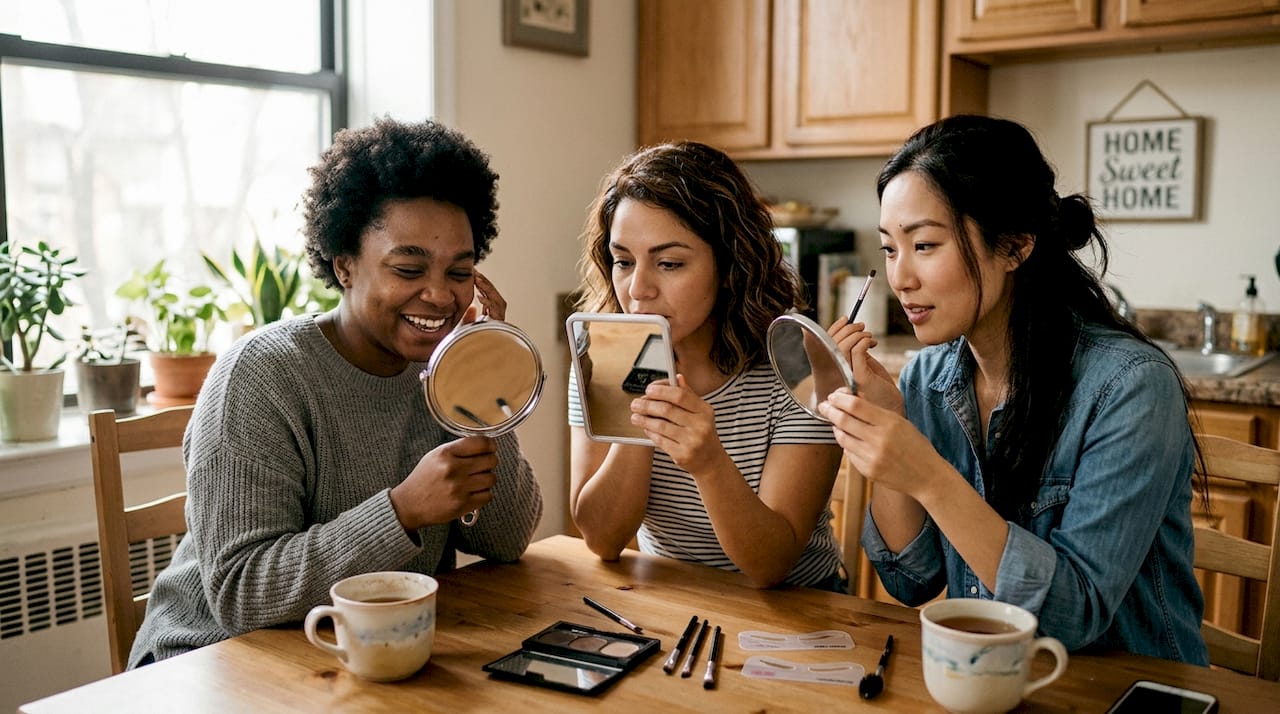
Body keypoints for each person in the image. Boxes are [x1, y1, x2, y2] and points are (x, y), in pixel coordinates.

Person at [129, 117, 544, 667]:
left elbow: (506, 540)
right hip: (209, 663)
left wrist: (483, 378)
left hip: (363, 654)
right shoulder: (261, 376)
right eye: (409, 268)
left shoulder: (445, 372)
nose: (441, 296)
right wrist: (402, 511)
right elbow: (241, 593)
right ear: (344, 265)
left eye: (459, 272)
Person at [819, 115, 1208, 663]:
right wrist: (893, 428)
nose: (901, 278)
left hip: (1126, 686)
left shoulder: (1130, 386)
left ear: (1014, 247)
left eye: (924, 245)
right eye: (889, 249)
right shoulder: (928, 378)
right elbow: (910, 582)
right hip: (987, 674)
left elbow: (1073, 615)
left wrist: (929, 475)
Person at [568, 141, 845, 590]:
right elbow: (602, 539)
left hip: (799, 605)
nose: (637, 289)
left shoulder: (799, 361)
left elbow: (770, 566)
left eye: (669, 263)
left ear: (730, 263)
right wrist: (637, 414)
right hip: (673, 596)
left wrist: (709, 462)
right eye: (623, 261)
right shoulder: (601, 354)